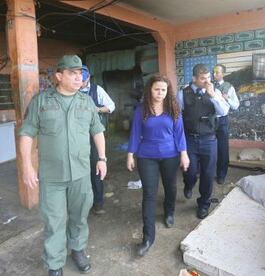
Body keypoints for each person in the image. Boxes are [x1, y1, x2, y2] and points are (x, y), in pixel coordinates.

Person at [19, 55, 107, 276]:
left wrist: (103, 159)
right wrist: (27, 166)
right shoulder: (41, 101)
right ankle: (55, 263)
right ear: (59, 76)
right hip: (52, 177)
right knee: (54, 221)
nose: (79, 78)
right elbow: (27, 134)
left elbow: (97, 131)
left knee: (79, 216)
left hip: (80, 174)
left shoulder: (86, 102)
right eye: (73, 73)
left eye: (81, 74)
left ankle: (77, 250)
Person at [126, 74, 190, 257]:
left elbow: (180, 133)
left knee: (170, 187)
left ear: (167, 91)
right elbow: (135, 133)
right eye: (156, 89)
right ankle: (148, 238)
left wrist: (184, 154)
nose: (160, 93)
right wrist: (130, 154)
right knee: (149, 195)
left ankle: (169, 213)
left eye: (163, 89)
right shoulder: (141, 109)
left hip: (170, 155)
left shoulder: (173, 107)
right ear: (150, 90)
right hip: (146, 156)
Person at [177, 64, 230, 219]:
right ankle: (188, 183)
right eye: (203, 78)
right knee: (190, 171)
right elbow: (177, 116)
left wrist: (213, 95)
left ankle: (203, 204)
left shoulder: (214, 91)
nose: (207, 81)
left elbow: (224, 112)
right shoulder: (183, 93)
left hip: (209, 140)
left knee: (207, 174)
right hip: (190, 140)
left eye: (208, 77)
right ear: (194, 79)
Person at [80, 65, 115, 215]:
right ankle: (81, 202)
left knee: (96, 168)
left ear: (88, 78)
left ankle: (98, 201)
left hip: (94, 135)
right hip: (77, 136)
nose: (78, 82)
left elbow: (111, 106)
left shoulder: (96, 89)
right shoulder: (71, 91)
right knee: (80, 169)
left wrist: (97, 109)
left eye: (82, 79)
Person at [213, 64, 240, 184]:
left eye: (217, 72)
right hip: (208, 120)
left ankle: (221, 174)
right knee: (208, 147)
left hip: (222, 121)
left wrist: (226, 98)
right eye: (214, 72)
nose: (214, 74)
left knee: (222, 149)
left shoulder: (229, 87)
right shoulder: (209, 86)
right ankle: (207, 172)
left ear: (223, 74)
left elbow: (236, 105)